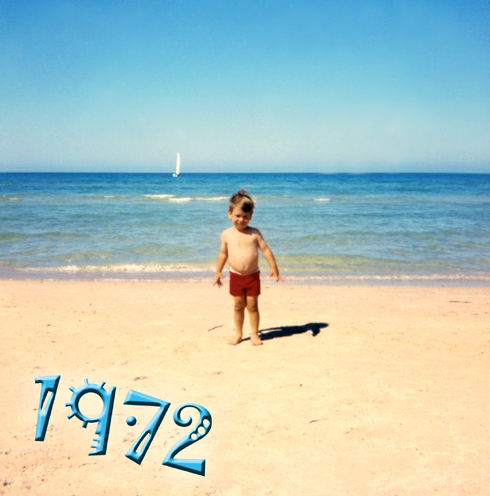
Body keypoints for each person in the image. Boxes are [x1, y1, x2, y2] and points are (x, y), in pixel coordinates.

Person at [213, 189, 283, 345]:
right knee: (238, 306)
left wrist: (274, 267)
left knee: (252, 306)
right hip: (236, 276)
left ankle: (254, 334)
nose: (241, 220)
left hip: (252, 276)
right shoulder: (226, 234)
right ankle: (238, 333)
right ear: (229, 213)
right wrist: (218, 271)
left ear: (251, 216)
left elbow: (265, 250)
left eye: (246, 217)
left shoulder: (254, 233)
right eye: (238, 216)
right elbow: (223, 254)